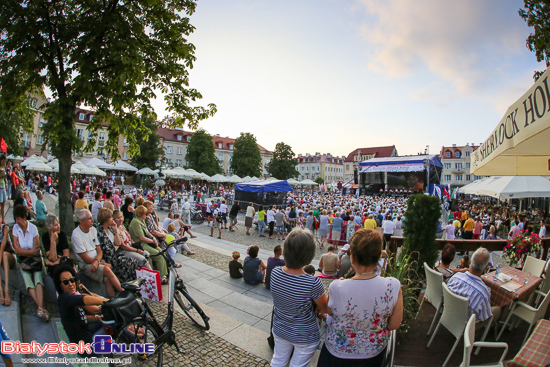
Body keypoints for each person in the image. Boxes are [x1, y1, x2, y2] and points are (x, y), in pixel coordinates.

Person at [318, 229, 403, 366]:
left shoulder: (338, 287)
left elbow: (331, 312)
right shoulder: (393, 286)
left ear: (352, 257)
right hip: (373, 352)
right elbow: (394, 324)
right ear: (377, 257)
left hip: (338, 351)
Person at [270, 228, 328, 367]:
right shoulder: (313, 283)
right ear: (309, 255)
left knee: (278, 360)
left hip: (280, 328)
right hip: (305, 335)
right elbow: (325, 308)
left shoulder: (275, 272)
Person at [72, 209, 125, 297]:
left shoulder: (93, 230)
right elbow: (85, 258)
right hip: (86, 264)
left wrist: (98, 262)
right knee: (107, 269)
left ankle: (112, 301)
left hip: (97, 260)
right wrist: (101, 263)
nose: (92, 220)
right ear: (82, 221)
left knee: (107, 279)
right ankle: (123, 292)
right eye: (89, 219)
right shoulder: (76, 234)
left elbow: (99, 250)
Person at [54, 265, 108, 348]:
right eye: (65, 282)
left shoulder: (71, 295)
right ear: (60, 285)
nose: (70, 284)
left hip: (86, 333)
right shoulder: (65, 298)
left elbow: (80, 317)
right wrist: (108, 302)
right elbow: (85, 300)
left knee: (107, 319)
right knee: (112, 325)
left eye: (72, 280)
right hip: (86, 347)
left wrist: (96, 317)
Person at [12, 205, 49, 321]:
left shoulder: (33, 229)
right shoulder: (15, 229)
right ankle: (41, 307)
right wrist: (29, 252)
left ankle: (40, 307)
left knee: (38, 278)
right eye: (16, 219)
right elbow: (16, 250)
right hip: (24, 261)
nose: (17, 221)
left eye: (19, 219)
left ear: (24, 218)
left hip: (36, 260)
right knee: (28, 280)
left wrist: (25, 252)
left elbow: (36, 250)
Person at [447, 247, 501, 326]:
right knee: (497, 309)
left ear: (470, 262)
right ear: (486, 267)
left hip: (449, 314)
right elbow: (485, 316)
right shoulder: (483, 292)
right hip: (468, 325)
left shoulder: (455, 277)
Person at [96, 208, 139, 283]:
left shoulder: (110, 228)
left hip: (115, 254)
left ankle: (131, 283)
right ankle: (125, 283)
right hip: (109, 257)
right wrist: (115, 247)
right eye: (111, 217)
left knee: (133, 262)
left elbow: (118, 243)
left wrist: (115, 231)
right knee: (128, 263)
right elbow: (107, 250)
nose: (112, 219)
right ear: (106, 219)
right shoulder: (100, 231)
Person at [128, 205, 168, 283]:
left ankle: (165, 273)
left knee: (162, 251)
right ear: (141, 214)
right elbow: (141, 238)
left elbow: (147, 232)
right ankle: (161, 276)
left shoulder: (141, 221)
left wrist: (153, 238)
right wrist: (153, 241)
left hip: (147, 242)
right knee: (159, 255)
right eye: (145, 214)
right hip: (141, 245)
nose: (146, 215)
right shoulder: (136, 222)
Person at [0, 224, 15, 306]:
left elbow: (2, 247)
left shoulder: (5, 228)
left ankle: (6, 290)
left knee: (4, 254)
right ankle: (1, 292)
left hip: (9, 256)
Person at [0, 155, 7, 225]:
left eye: (5, 161)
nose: (4, 162)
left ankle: (3, 219)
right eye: (3, 161)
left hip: (3, 186)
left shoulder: (3, 168)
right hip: (0, 187)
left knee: (3, 204)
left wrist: (5, 177)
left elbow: (4, 178)